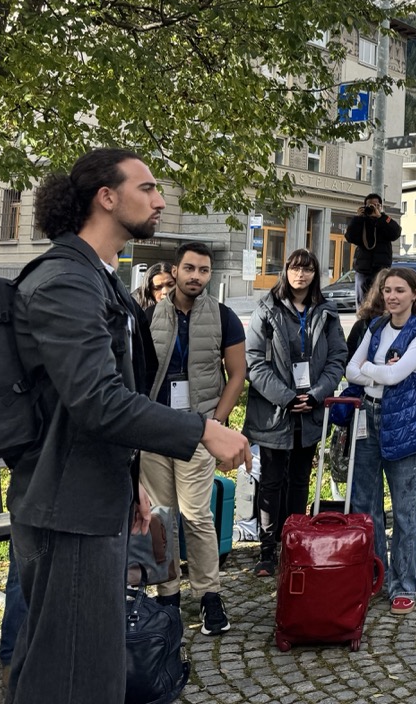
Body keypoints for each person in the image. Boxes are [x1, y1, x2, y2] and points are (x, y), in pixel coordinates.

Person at [6, 148, 249, 704]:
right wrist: (202, 429)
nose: (160, 199)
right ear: (106, 198)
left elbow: (97, 405)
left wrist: (131, 481)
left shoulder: (99, 276)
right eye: (147, 187)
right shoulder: (67, 280)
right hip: (66, 509)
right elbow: (97, 401)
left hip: (96, 496)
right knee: (66, 675)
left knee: (84, 667)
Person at [139, 241, 247, 633]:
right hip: (155, 430)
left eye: (203, 270)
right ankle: (167, 597)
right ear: (175, 269)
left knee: (196, 515)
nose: (196, 276)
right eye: (190, 269)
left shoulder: (223, 317)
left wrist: (215, 424)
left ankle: (209, 596)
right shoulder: (148, 316)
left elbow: (237, 374)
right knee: (160, 517)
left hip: (200, 432)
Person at [345, 267, 416, 615]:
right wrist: (381, 369)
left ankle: (404, 585)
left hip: (404, 427)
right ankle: (376, 576)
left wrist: (373, 370)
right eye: (387, 290)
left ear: (415, 294)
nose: (391, 296)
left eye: (400, 290)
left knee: (405, 511)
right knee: (365, 506)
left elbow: (393, 374)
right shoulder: (374, 327)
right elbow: (350, 371)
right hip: (368, 420)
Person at [244, 248, 348, 577]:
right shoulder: (266, 308)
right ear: (285, 271)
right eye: (294, 268)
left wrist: (317, 395)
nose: (300, 275)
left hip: (311, 411)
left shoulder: (326, 312)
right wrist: (287, 397)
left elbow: (337, 358)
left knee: (300, 479)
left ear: (316, 274)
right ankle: (267, 550)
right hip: (275, 411)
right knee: (272, 480)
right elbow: (254, 362)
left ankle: (294, 541)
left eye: (307, 269)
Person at [343, 193, 402, 305]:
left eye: (376, 205)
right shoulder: (361, 221)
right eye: (370, 206)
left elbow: (396, 233)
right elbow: (349, 237)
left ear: (381, 206)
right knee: (362, 301)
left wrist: (380, 218)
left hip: (381, 268)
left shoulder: (385, 220)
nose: (373, 208)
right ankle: (363, 320)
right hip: (363, 269)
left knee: (381, 300)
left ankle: (379, 321)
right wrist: (357, 218)